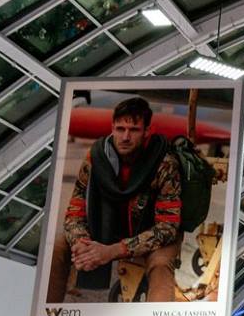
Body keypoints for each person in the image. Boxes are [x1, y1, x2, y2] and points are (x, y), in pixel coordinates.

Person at [47, 95, 188, 304]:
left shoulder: (165, 164)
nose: (125, 137)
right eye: (120, 129)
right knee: (58, 247)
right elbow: (75, 211)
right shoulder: (95, 158)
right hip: (107, 231)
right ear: (112, 128)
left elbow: (167, 228)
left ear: (147, 131)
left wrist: (113, 251)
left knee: (161, 264)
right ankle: (50, 314)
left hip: (152, 234)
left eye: (134, 130)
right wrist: (81, 243)